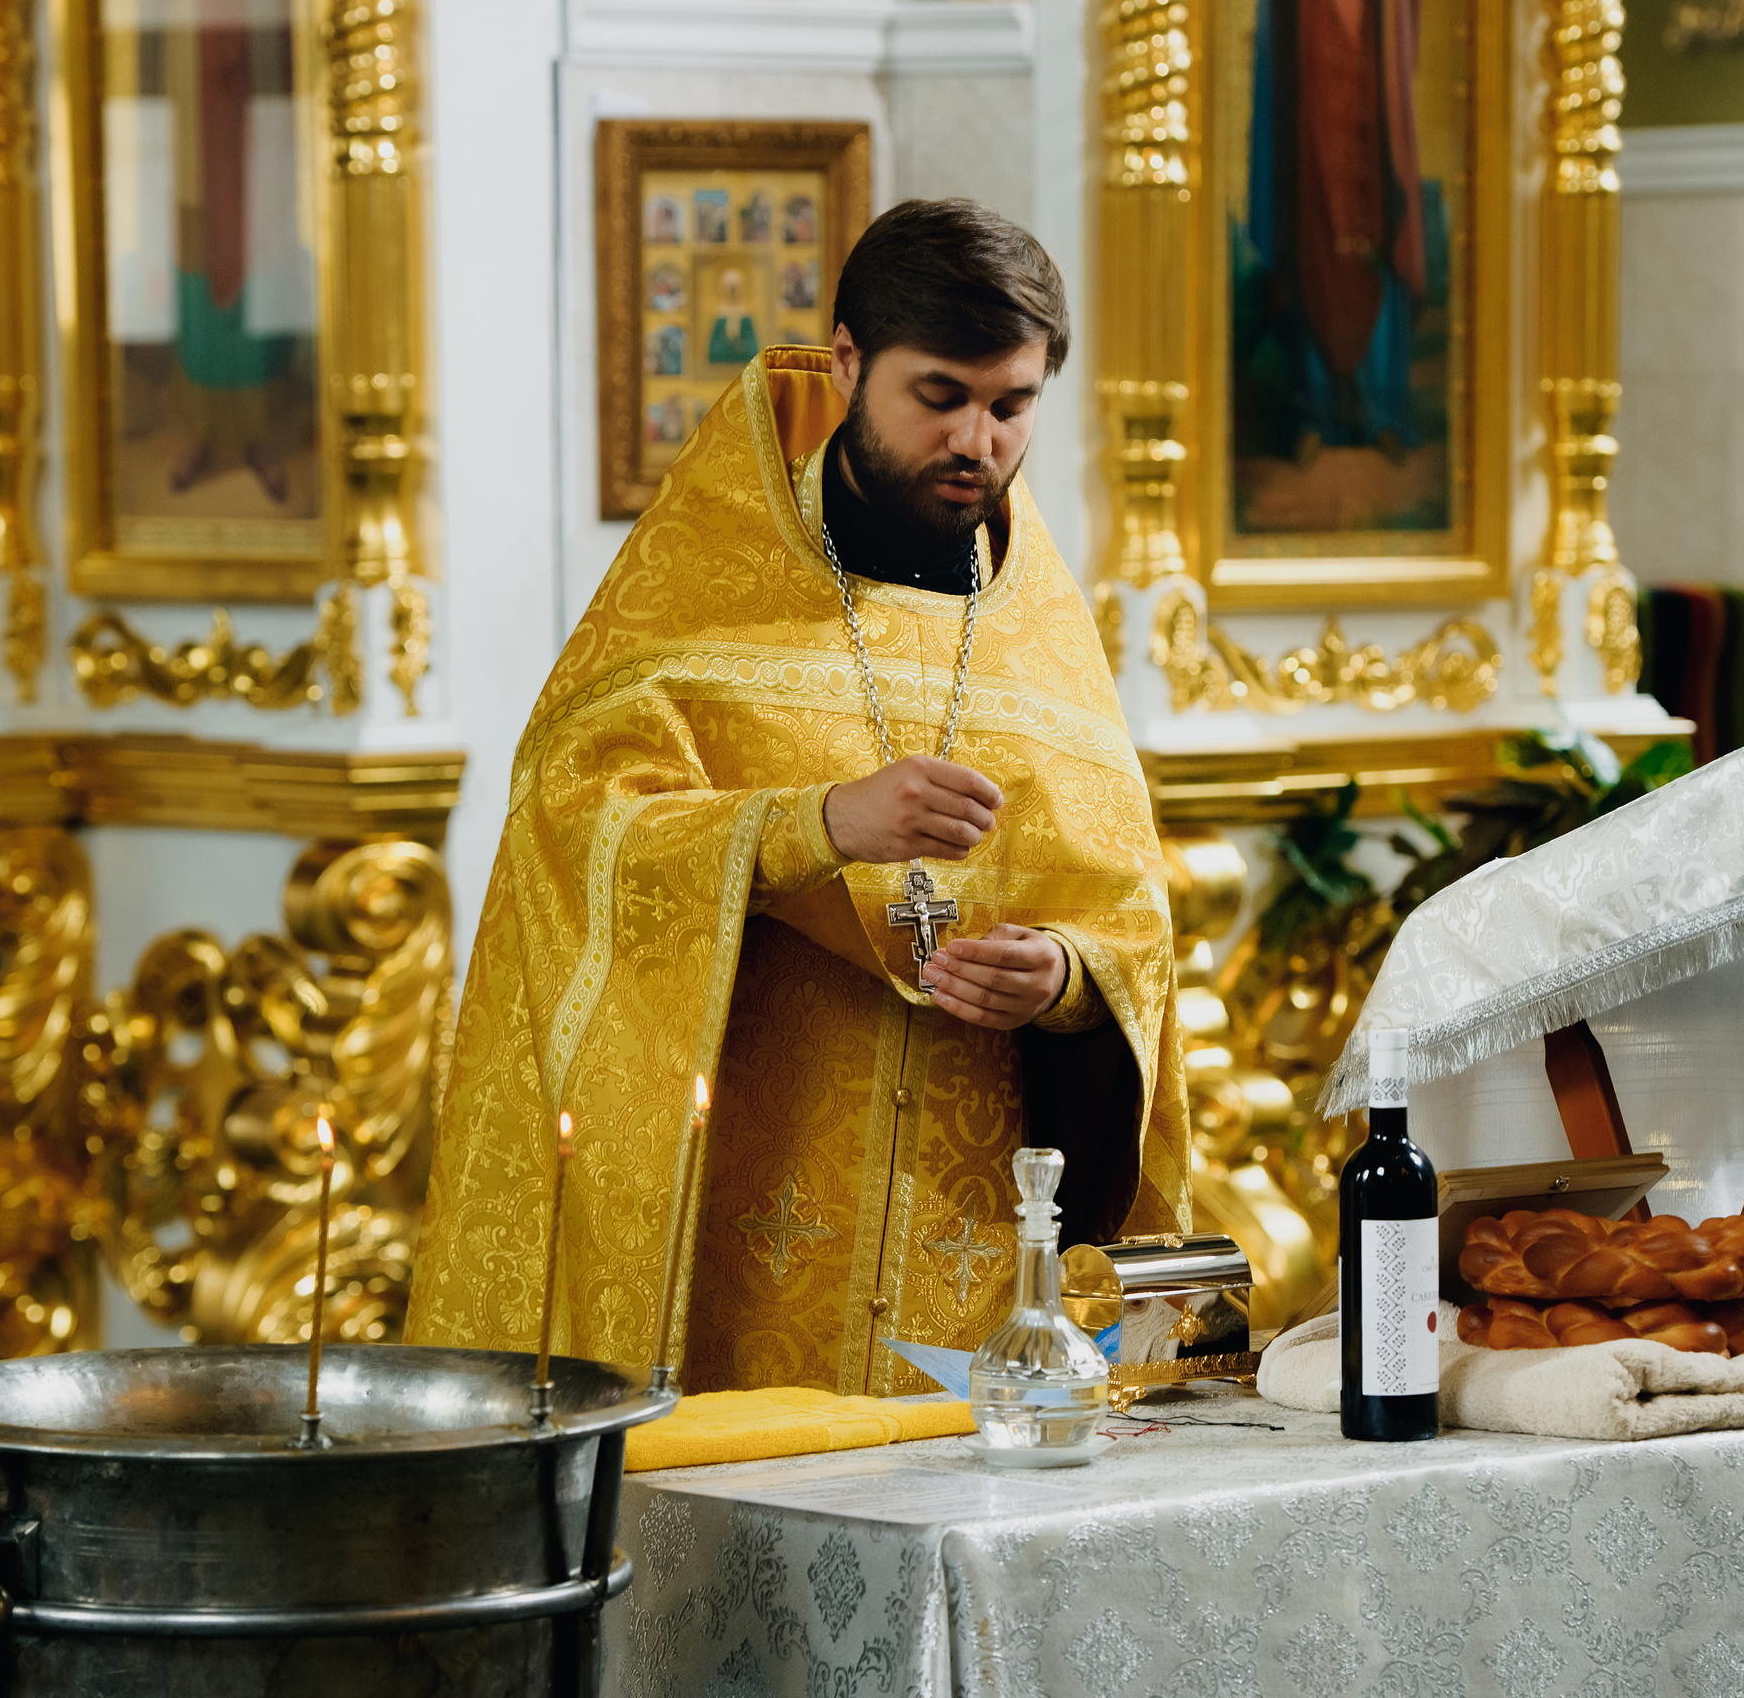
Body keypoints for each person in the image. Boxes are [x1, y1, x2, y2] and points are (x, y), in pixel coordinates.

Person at [408, 199, 1190, 1395]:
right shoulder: (706, 580)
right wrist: (814, 825)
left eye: (1011, 406)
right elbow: (575, 830)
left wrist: (1068, 981)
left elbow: (1127, 910)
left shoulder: (1040, 627)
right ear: (846, 363)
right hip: (736, 1220)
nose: (975, 440)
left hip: (970, 1247)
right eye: (939, 396)